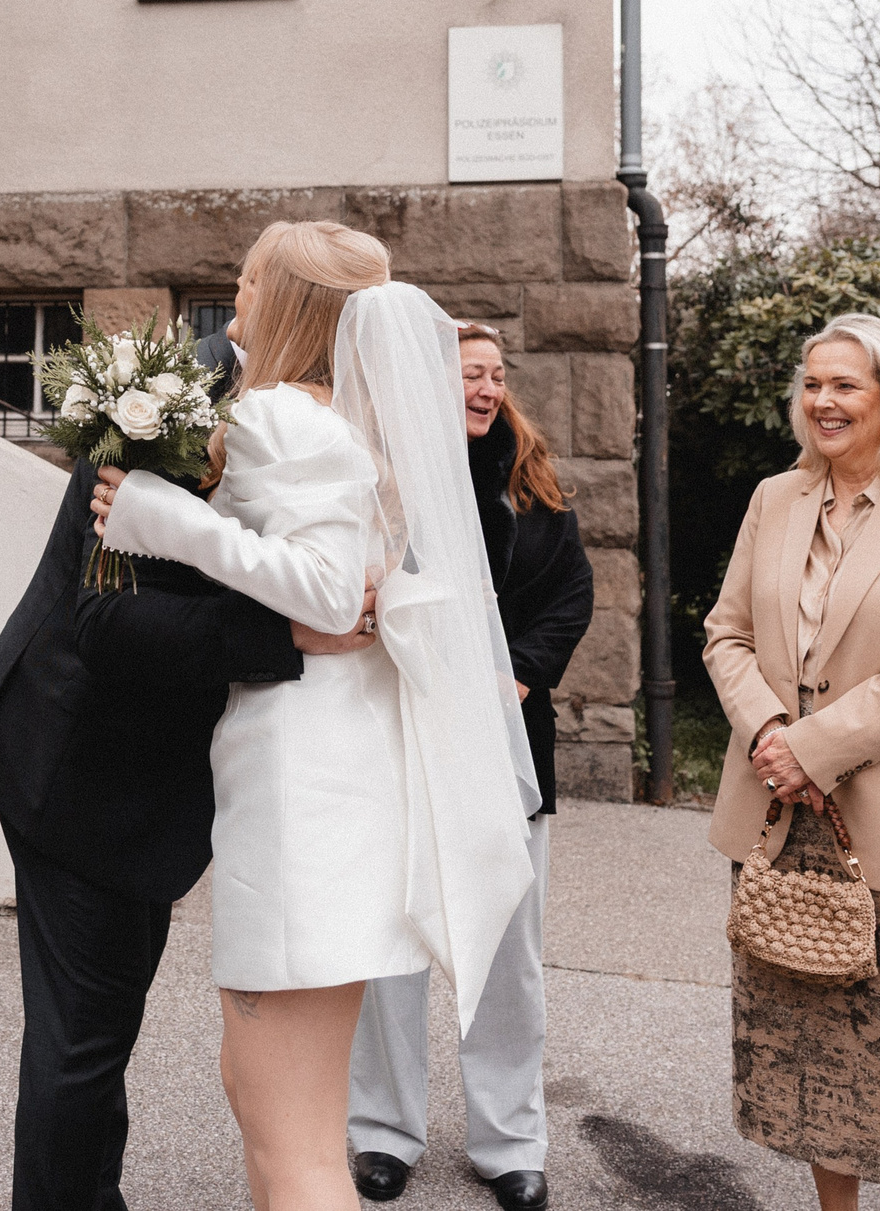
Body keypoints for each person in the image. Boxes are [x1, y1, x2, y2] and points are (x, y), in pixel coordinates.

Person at [91, 220, 537, 1211]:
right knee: (264, 1097)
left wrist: (171, 521)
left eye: (248, 285)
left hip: (304, 798)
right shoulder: (354, 423)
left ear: (287, 307)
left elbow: (333, 598)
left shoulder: (281, 419)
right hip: (333, 783)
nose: (233, 304)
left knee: (291, 1141)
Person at [0, 310, 375, 1211]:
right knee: (82, 1042)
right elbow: (110, 616)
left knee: (96, 1031)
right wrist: (289, 630)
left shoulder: (274, 403)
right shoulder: (172, 406)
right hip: (84, 767)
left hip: (134, 776)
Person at [700, 313, 880, 1211]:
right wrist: (768, 734)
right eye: (813, 384)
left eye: (845, 386)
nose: (822, 401)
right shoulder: (774, 498)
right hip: (778, 811)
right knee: (810, 1062)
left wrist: (812, 748)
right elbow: (728, 632)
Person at [347, 324, 592, 1210]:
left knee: (508, 952)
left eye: (496, 374)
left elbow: (573, 594)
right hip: (399, 739)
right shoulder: (380, 482)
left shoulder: (534, 483)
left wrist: (518, 674)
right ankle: (382, 1131)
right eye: (468, 373)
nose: (486, 388)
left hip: (508, 742)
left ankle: (511, 1139)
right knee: (391, 945)